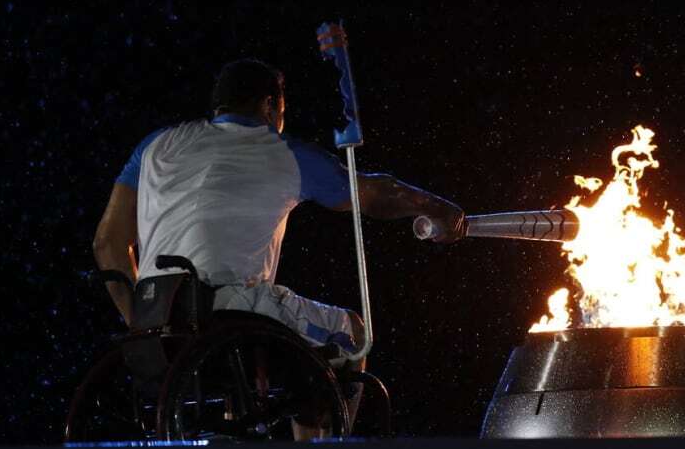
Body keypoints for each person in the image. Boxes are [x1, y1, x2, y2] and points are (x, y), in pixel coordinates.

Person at [91, 58, 464, 436]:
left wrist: (141, 322)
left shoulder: (155, 146)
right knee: (352, 332)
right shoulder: (284, 152)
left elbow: (107, 244)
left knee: (265, 324)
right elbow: (375, 193)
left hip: (153, 333)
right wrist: (438, 209)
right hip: (226, 321)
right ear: (270, 106)